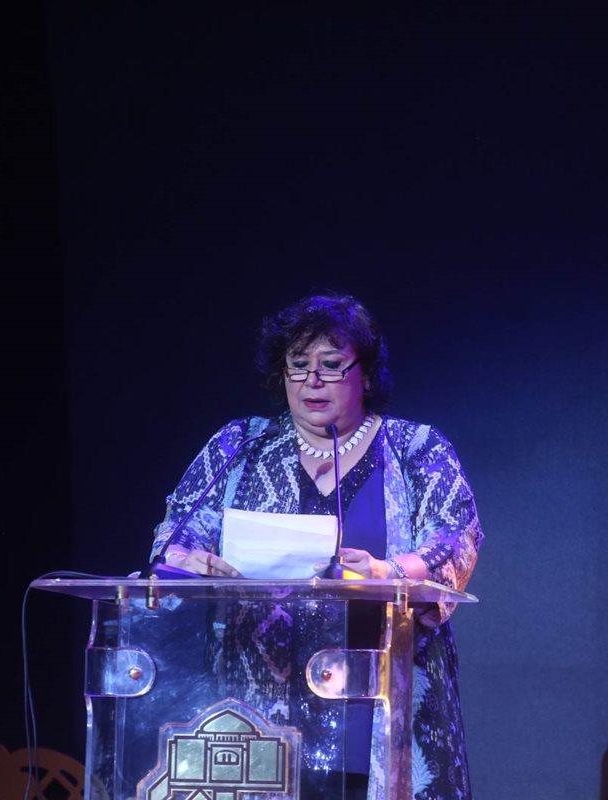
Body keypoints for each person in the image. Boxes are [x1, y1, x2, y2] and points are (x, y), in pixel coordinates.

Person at [151, 293, 484, 800]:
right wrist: (185, 559)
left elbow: (455, 537)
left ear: (365, 375)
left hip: (380, 702)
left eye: (331, 364)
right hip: (259, 707)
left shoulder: (414, 448)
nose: (312, 380)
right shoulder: (240, 445)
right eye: (298, 364)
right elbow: (177, 533)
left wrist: (390, 571)